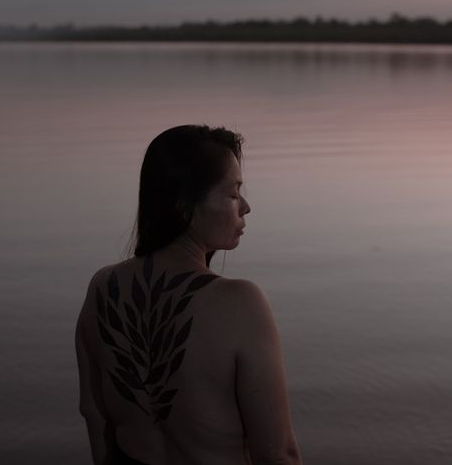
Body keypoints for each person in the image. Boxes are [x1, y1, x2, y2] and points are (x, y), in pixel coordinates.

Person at [75, 125, 301, 465]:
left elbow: (94, 416)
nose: (246, 207)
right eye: (233, 193)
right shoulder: (240, 303)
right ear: (184, 206)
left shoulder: (102, 287)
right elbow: (278, 453)